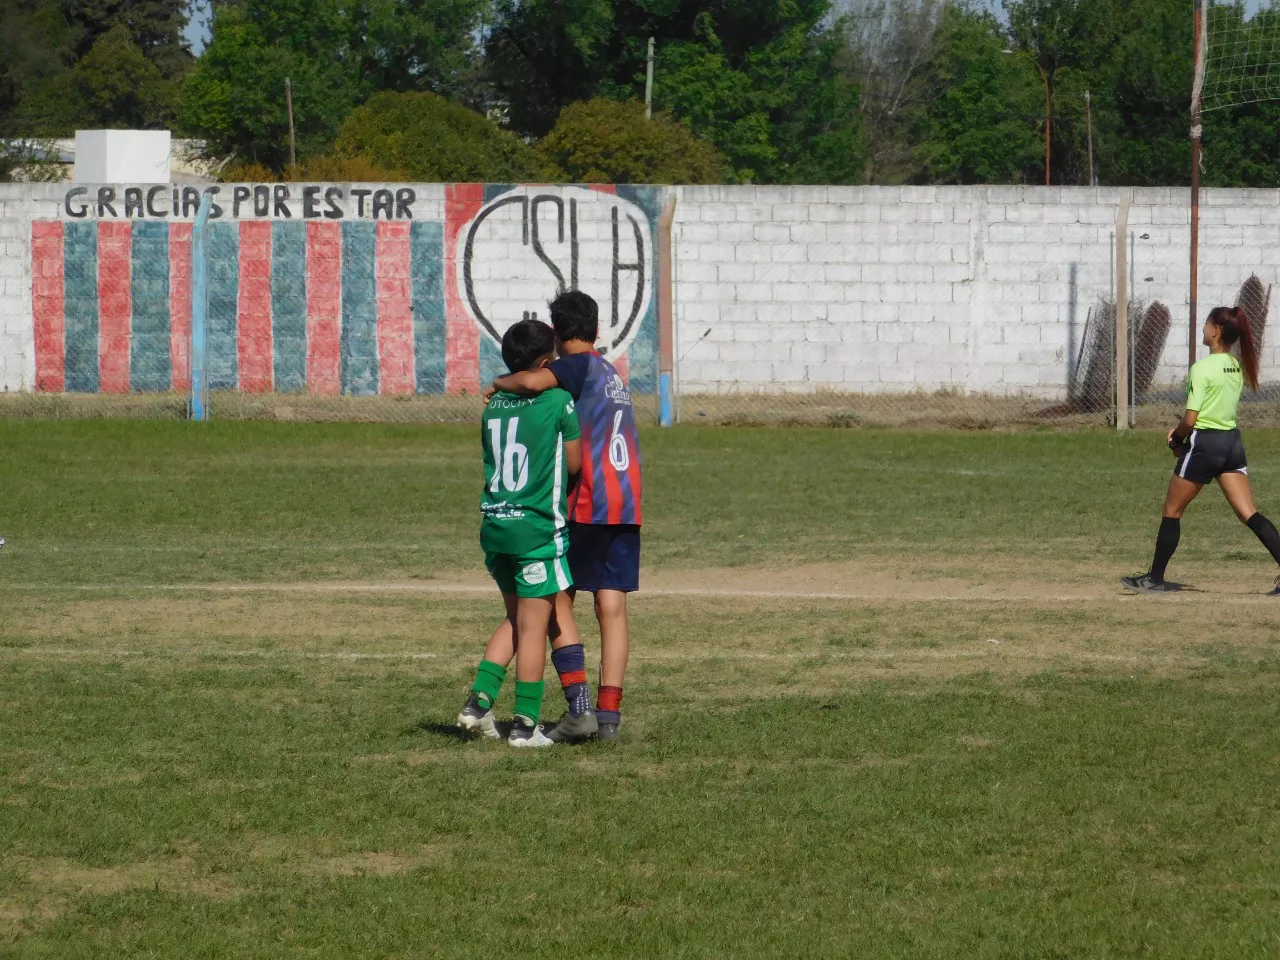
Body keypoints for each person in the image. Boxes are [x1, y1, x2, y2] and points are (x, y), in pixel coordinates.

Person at [485, 291, 643, 743]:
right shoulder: (611, 373)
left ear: (557, 333)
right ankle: (608, 718)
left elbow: (533, 383)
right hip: (625, 502)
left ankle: (574, 710)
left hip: (587, 502)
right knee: (611, 607)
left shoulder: (579, 366)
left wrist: (499, 383)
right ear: (597, 329)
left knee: (551, 601)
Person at [458, 319, 585, 748]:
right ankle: (526, 726)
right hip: (535, 530)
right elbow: (572, 465)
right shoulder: (559, 401)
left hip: (496, 526)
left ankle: (478, 704)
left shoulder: (492, 404)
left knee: (517, 620)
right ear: (547, 363)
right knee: (535, 627)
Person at [1123, 306, 1280, 595]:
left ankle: (1154, 579)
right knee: (1248, 513)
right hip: (1231, 443)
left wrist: (1176, 438)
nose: (1204, 328)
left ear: (1216, 330)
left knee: (1172, 510)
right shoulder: (1235, 366)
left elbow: (1191, 418)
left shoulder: (1202, 368)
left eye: (1207, 323)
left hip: (1206, 444)